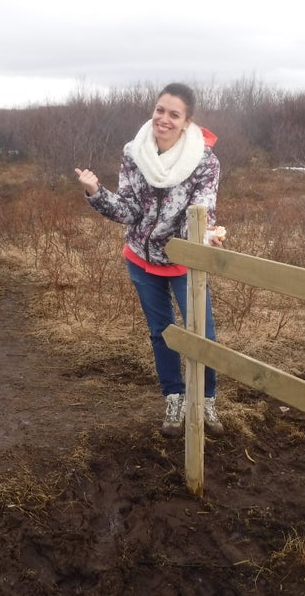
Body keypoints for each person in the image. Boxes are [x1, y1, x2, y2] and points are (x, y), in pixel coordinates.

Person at [75, 82, 225, 437]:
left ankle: (206, 401)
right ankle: (174, 399)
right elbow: (128, 210)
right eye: (160, 110)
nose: (164, 119)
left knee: (203, 335)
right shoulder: (135, 152)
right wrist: (95, 192)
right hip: (141, 259)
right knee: (162, 334)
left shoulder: (204, 161)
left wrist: (205, 238)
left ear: (188, 122)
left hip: (183, 260)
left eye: (174, 114)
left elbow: (202, 209)